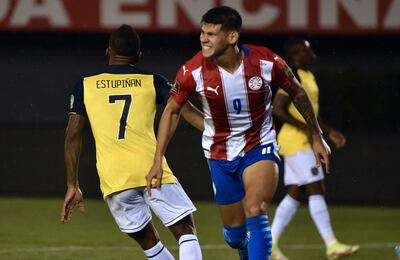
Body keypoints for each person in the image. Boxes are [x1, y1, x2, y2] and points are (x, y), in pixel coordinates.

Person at [146, 7, 331, 260]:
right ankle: (243, 246)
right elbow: (172, 111)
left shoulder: (265, 61)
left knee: (255, 208)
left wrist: (316, 135)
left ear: (232, 37)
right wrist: (157, 160)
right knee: (234, 236)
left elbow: (297, 92)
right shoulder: (192, 71)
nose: (203, 38)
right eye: (202, 32)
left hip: (259, 145)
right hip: (219, 153)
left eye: (211, 33)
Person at [60, 24, 204, 260]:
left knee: (149, 242)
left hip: (114, 177)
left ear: (108, 52)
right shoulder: (152, 81)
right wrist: (222, 134)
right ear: (138, 56)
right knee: (185, 231)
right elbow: (186, 111)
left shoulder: (85, 85)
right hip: (151, 169)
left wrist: (72, 184)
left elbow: (72, 135)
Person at [270, 38, 360, 260]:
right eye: (307, 49)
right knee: (316, 188)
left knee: (295, 194)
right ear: (297, 54)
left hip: (299, 141)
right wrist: (309, 131)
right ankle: (332, 246)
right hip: (297, 142)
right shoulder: (292, 75)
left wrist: (327, 131)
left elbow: (310, 112)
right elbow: (277, 109)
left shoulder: (308, 76)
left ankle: (269, 245)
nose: (312, 52)